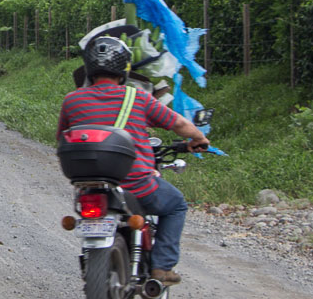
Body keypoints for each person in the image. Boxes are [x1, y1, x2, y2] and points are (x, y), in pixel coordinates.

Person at [57, 35, 210, 285]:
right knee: (176, 205)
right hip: (136, 184)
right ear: (124, 69)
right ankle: (162, 267)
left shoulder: (72, 100)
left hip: (88, 185)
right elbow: (179, 124)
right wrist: (198, 137)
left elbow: (62, 137)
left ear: (89, 68)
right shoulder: (138, 98)